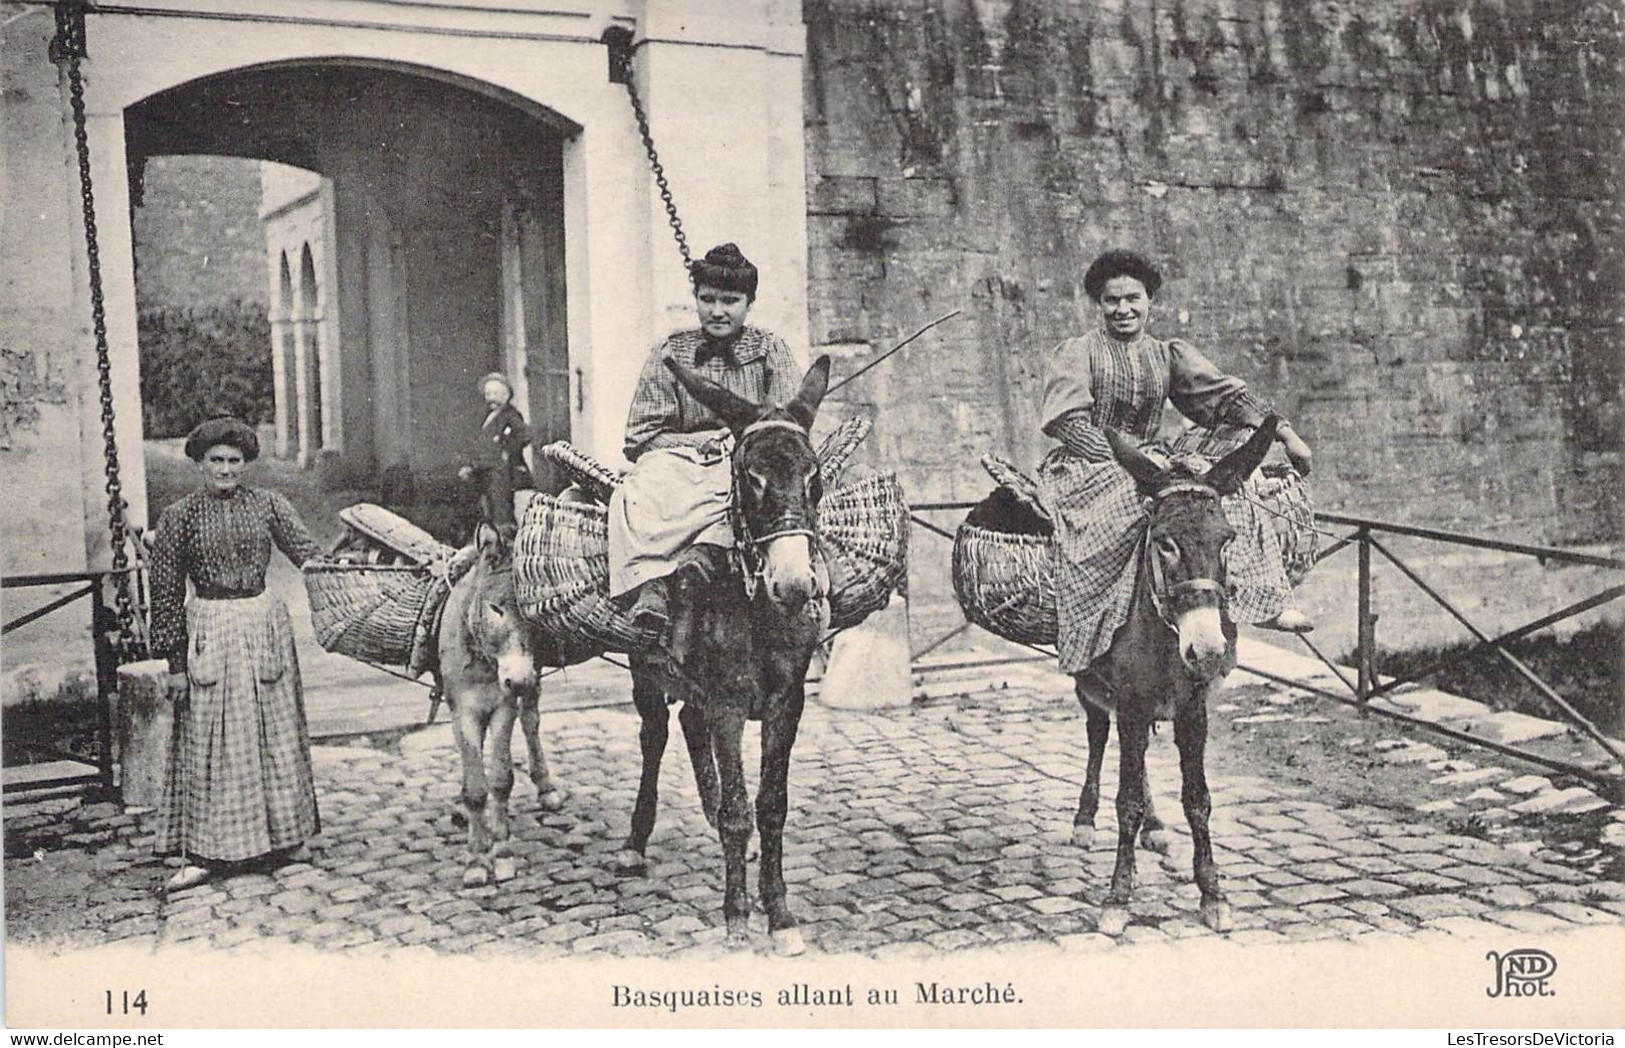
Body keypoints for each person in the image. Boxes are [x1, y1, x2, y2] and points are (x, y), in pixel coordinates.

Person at [1038, 249, 1316, 676]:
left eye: (1133, 298)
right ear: (1099, 305)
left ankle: (1262, 598)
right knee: (1132, 511)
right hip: (1090, 464)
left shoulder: (1166, 354)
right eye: (1112, 300)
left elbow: (1226, 397)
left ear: (1149, 301)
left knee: (1218, 491)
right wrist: (1123, 458)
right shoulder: (1080, 352)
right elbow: (1069, 421)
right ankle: (1094, 619)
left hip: (1152, 462)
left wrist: (1286, 433)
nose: (1123, 309)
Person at [148, 416, 325, 891]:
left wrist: (351, 558)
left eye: (234, 461)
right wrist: (175, 665)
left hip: (263, 622)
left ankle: (286, 839)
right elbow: (164, 593)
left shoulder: (269, 505)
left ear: (246, 464)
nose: (226, 470)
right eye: (216, 461)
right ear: (201, 464)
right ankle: (208, 851)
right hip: (209, 625)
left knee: (276, 734)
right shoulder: (179, 516)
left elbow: (309, 554)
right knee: (213, 741)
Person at [609, 243, 802, 631]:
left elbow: (785, 431)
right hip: (678, 461)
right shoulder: (670, 352)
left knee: (749, 488)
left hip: (748, 456)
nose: (717, 311)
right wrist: (696, 444)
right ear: (695, 299)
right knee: (631, 495)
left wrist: (744, 443)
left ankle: (707, 555)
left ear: (750, 302)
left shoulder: (769, 351)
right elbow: (641, 438)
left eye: (730, 301)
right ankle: (651, 586)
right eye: (707, 299)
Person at [458, 372, 535, 533]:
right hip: (484, 469)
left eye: (495, 394)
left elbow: (524, 435)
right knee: (484, 507)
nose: (490, 398)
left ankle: (506, 540)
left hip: (502, 472)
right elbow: (477, 442)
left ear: (506, 395)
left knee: (501, 508)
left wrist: (506, 450)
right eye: (487, 394)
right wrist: (470, 464)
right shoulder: (486, 416)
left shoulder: (510, 415)